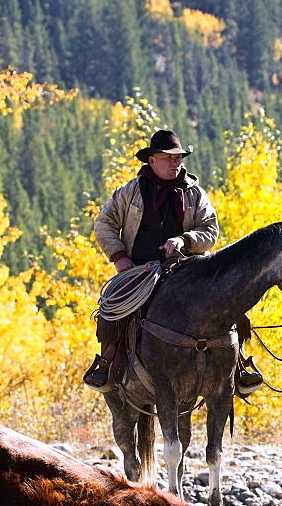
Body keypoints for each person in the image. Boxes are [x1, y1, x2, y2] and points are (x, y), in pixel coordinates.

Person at [84, 128, 263, 395]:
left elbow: (210, 231)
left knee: (231, 304)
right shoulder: (130, 192)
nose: (175, 162)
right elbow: (104, 223)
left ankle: (238, 366)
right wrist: (119, 257)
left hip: (188, 271)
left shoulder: (194, 193)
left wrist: (185, 240)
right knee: (111, 302)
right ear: (151, 160)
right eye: (168, 157)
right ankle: (107, 363)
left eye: (178, 157)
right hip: (139, 270)